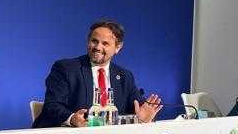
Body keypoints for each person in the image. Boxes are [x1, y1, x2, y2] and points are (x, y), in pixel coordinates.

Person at [32, 20, 162, 128]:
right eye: (94, 41)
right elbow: (52, 106)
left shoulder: (124, 76)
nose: (98, 47)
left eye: (105, 43)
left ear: (117, 47)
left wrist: (143, 118)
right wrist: (72, 119)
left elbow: (141, 110)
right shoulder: (66, 68)